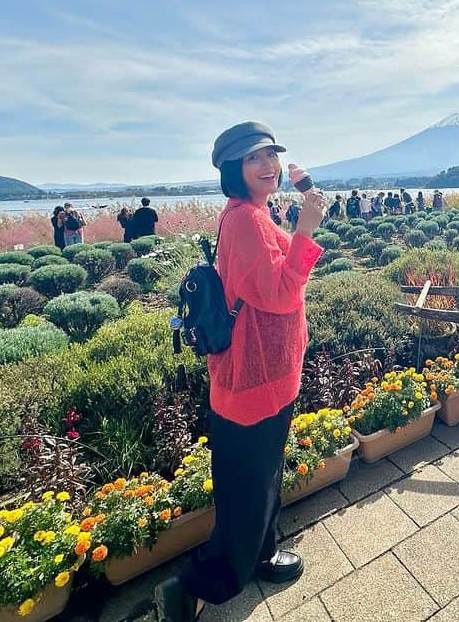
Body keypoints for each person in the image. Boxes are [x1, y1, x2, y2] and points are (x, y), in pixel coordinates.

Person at [154, 121, 324, 621]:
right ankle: (193, 588)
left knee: (261, 476)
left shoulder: (255, 211)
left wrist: (299, 225)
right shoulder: (246, 221)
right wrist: (307, 231)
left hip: (268, 371)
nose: (269, 165)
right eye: (255, 158)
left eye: (271, 154)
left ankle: (261, 553)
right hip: (253, 377)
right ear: (234, 169)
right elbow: (278, 293)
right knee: (246, 484)